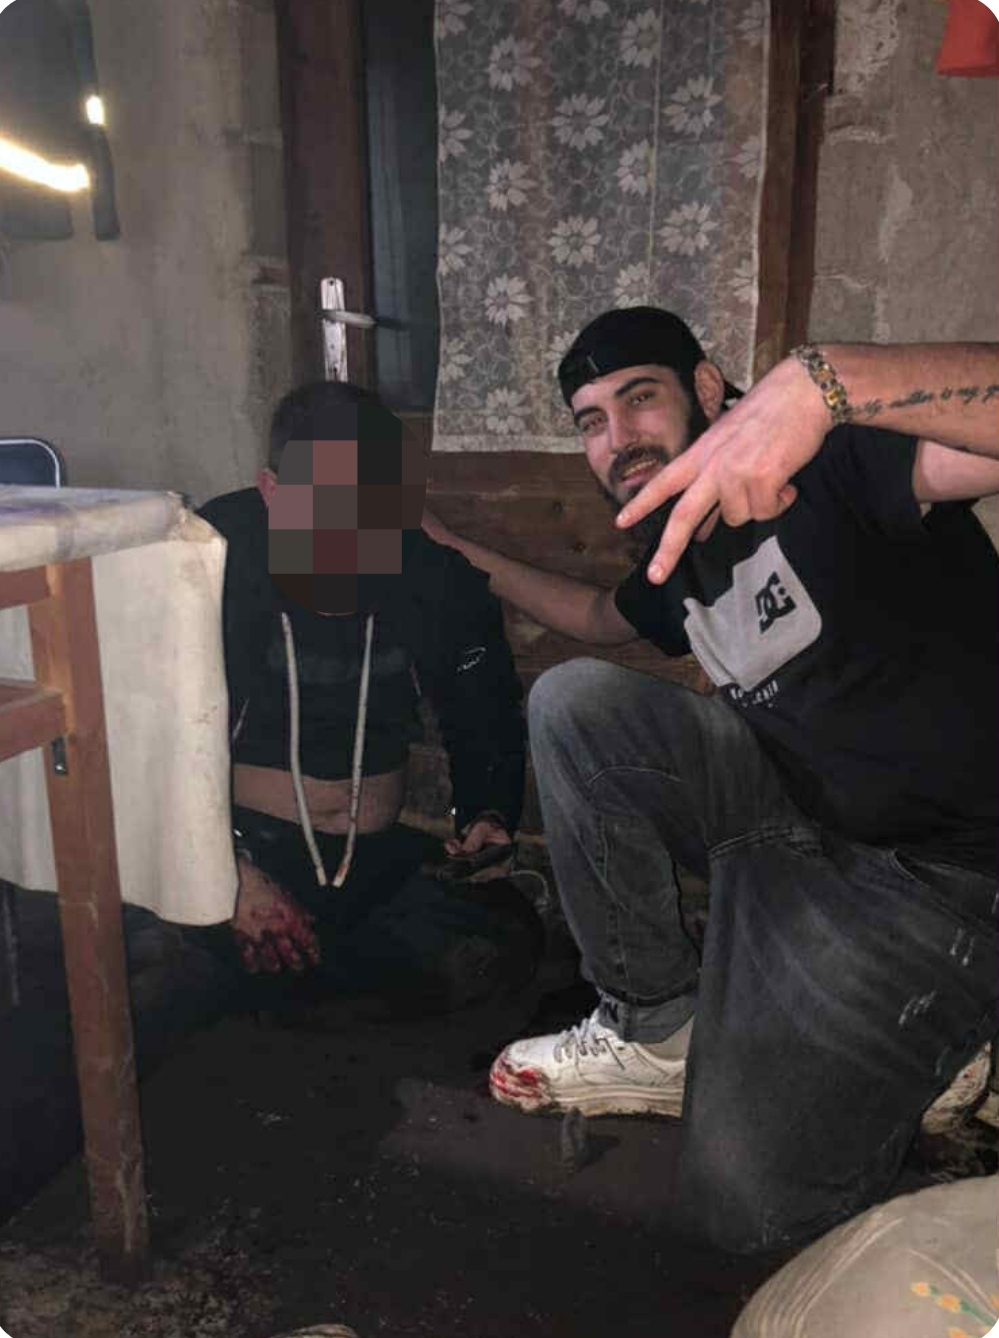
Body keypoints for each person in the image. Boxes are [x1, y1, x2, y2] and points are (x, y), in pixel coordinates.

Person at [422, 307, 999, 1252]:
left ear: (704, 387)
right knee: (575, 701)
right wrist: (456, 552)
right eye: (591, 421)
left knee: (746, 1205)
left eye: (638, 399)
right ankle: (656, 1030)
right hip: (801, 823)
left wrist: (824, 384)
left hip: (939, 878)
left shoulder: (832, 459)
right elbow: (596, 618)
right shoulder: (680, 541)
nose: (617, 437)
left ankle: (944, 1035)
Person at [198, 380, 541, 1014]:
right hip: (244, 845)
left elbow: (484, 712)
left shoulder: (429, 575)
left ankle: (281, 981)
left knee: (504, 938)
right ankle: (271, 965)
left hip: (370, 862)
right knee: (168, 922)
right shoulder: (217, 558)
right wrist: (230, 870)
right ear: (273, 492)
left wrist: (485, 817)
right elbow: (156, 738)